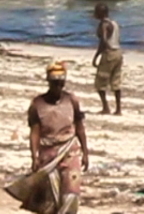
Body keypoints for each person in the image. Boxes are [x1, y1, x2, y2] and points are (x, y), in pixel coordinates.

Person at [6, 62, 89, 214]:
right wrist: (34, 156)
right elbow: (35, 132)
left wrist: (85, 152)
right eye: (55, 83)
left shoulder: (71, 100)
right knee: (51, 197)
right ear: (49, 83)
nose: (58, 87)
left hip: (70, 150)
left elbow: (79, 126)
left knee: (71, 193)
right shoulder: (38, 104)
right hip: (48, 154)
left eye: (61, 83)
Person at [91, 4, 123, 115]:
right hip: (118, 52)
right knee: (116, 81)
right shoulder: (114, 23)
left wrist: (97, 55)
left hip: (109, 53)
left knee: (100, 82)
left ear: (100, 13)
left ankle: (106, 107)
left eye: (96, 12)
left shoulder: (103, 25)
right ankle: (118, 109)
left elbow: (103, 40)